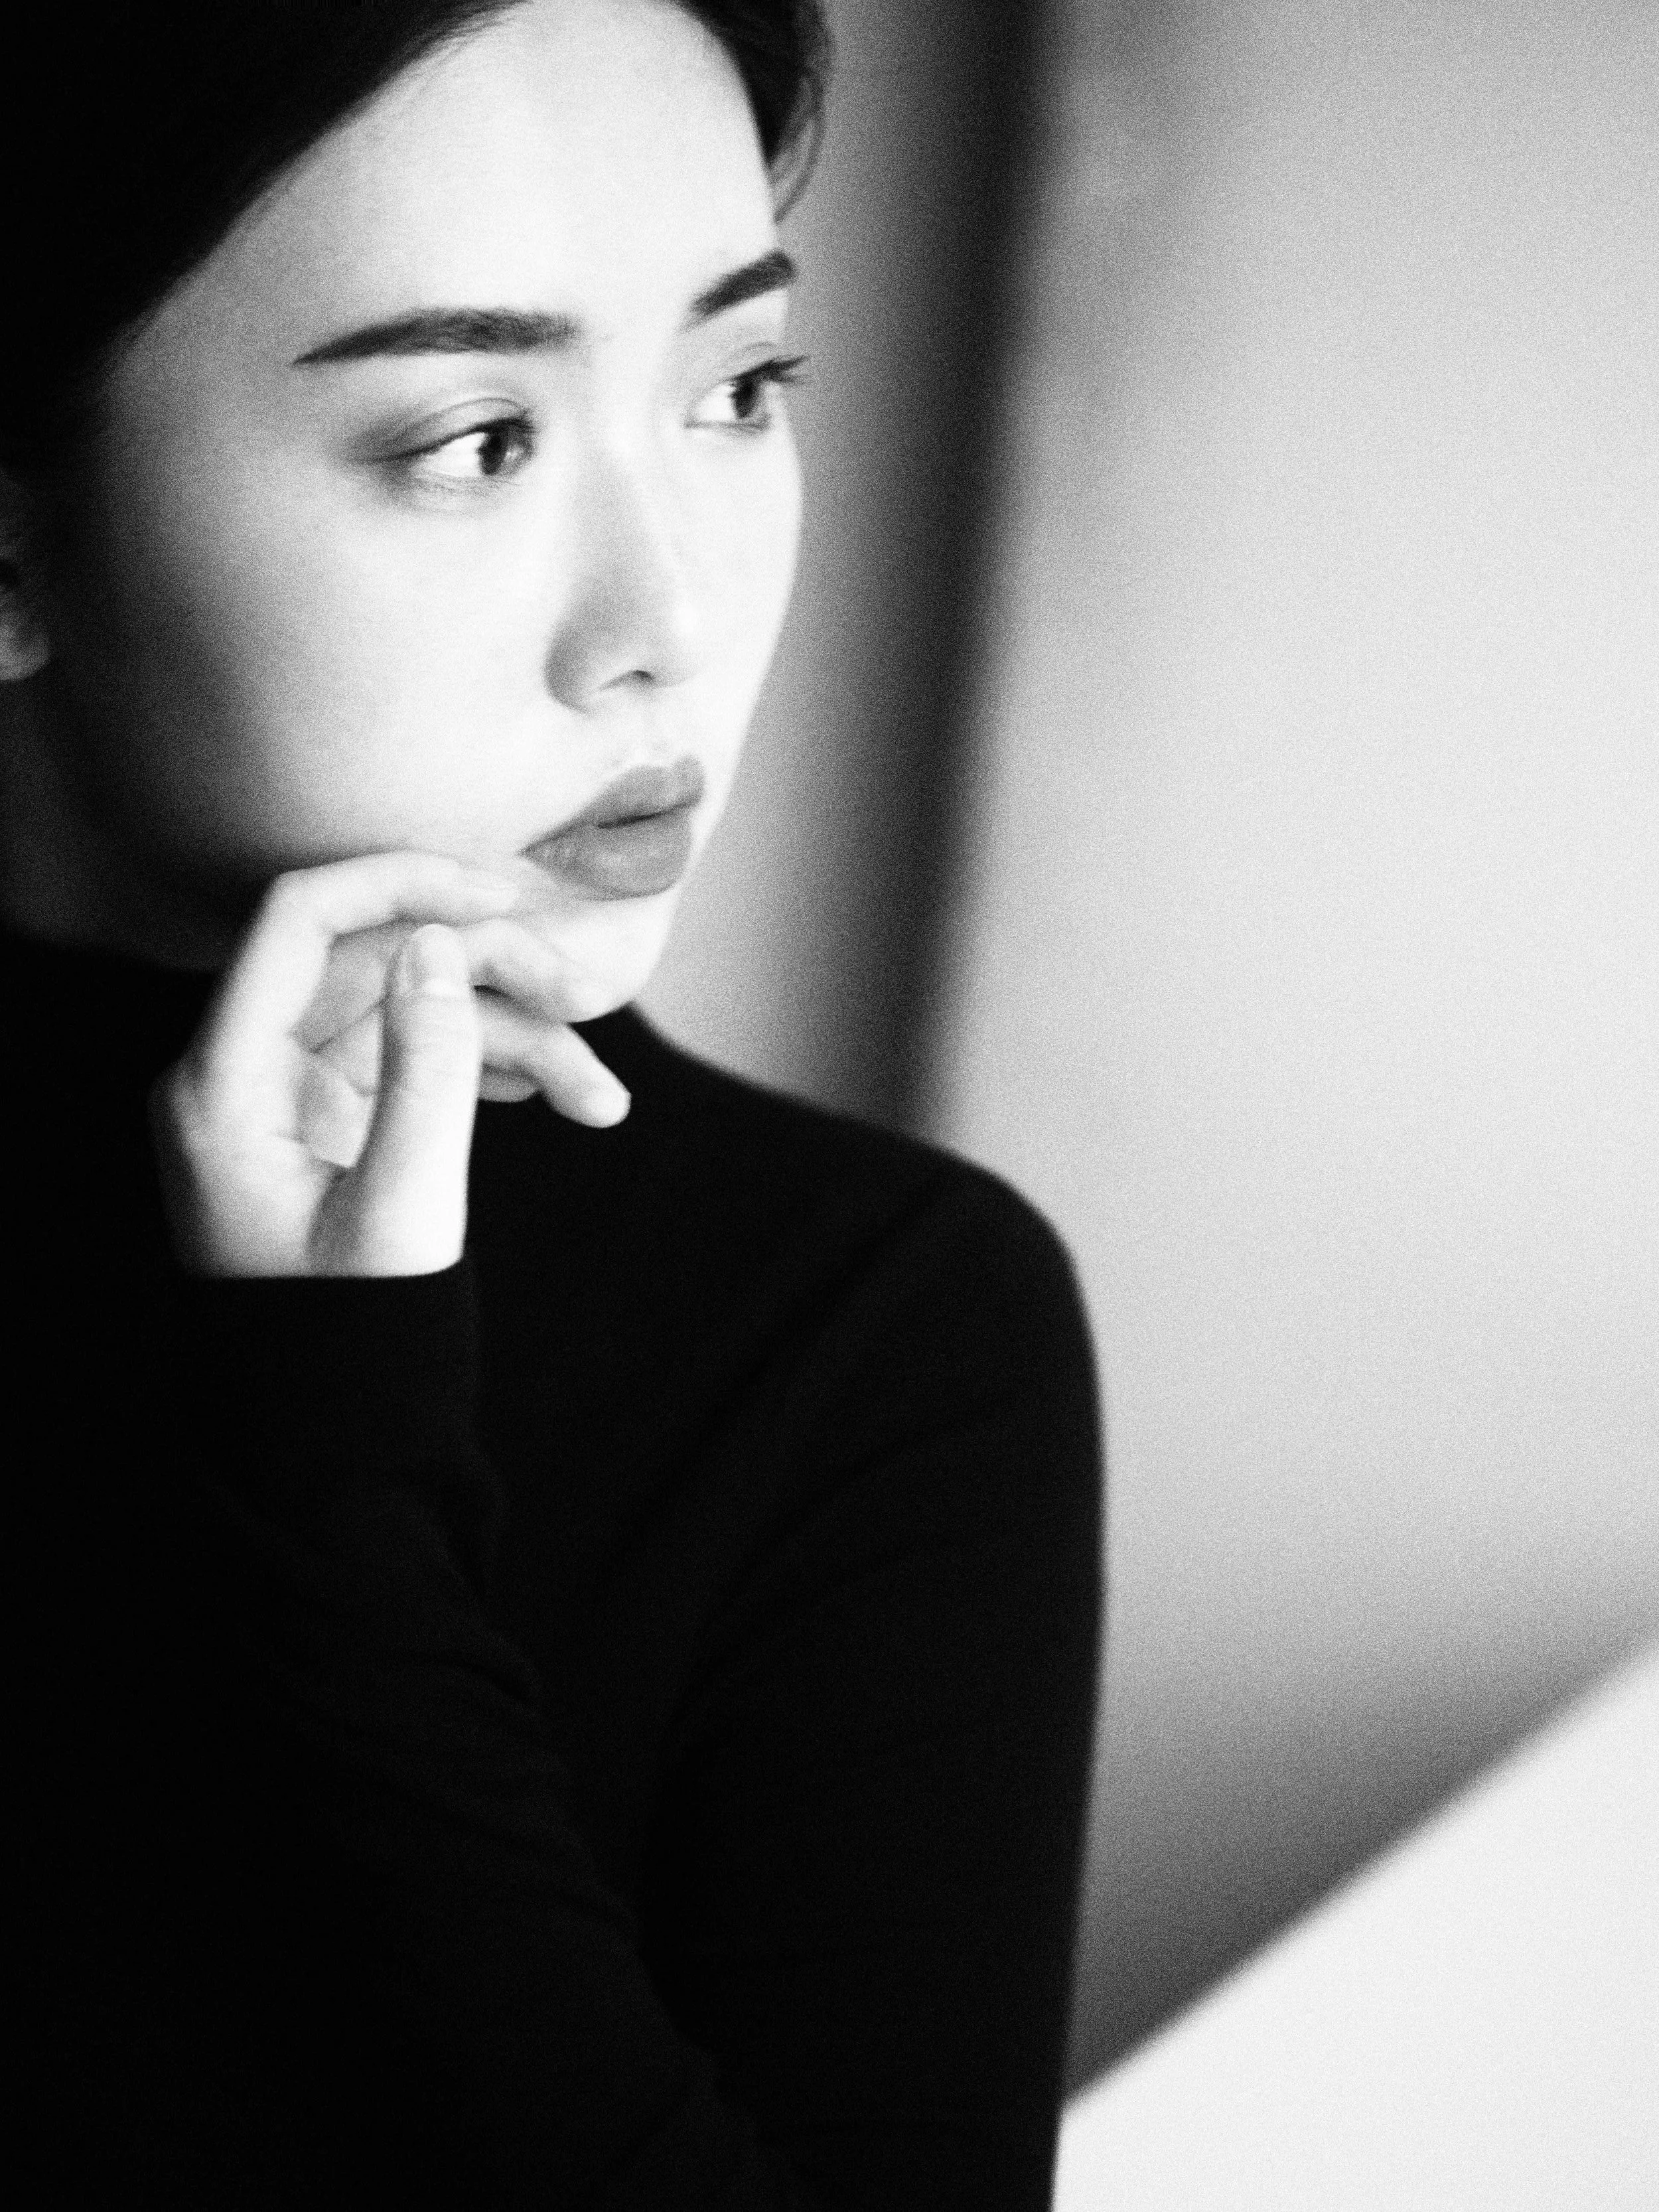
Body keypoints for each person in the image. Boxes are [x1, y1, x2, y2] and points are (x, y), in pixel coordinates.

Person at [3, 3, 1102, 2203]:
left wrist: (326, 1479)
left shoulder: (865, 1331)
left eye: (738, 392)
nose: (670, 618)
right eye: (474, 439)